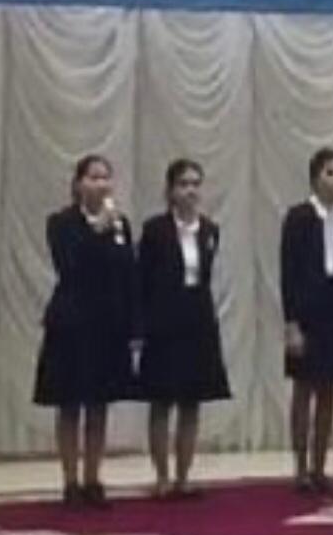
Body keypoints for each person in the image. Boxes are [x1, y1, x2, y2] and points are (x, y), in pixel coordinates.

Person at [33, 154, 137, 508]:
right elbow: (71, 265)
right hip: (71, 323)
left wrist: (132, 325)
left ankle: (94, 479)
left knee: (98, 404)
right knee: (69, 404)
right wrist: (97, 230)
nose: (101, 184)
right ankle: (70, 481)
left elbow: (127, 272)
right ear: (78, 184)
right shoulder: (61, 223)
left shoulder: (121, 224)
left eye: (106, 177)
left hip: (107, 324)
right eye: (93, 177)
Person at [137, 158, 231, 499]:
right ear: (170, 191)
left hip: (198, 319)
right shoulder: (155, 230)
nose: (190, 191)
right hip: (164, 319)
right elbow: (142, 281)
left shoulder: (209, 230)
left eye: (195, 184)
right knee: (162, 402)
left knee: (192, 402)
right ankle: (161, 476)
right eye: (183, 184)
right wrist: (140, 328)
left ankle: (183, 477)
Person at [279, 147, 333, 495]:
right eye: (331, 172)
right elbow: (288, 273)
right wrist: (291, 323)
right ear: (316, 178)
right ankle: (300, 467)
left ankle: (320, 466)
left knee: (329, 389)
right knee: (304, 388)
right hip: (307, 311)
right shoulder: (298, 217)